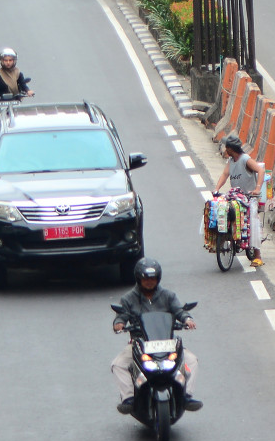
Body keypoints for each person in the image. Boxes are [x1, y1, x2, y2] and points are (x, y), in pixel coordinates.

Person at [110, 258, 201, 414]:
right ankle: (129, 398)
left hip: (167, 343)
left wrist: (187, 319)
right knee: (118, 364)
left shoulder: (168, 295)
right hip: (139, 344)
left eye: (152, 278)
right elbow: (121, 316)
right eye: (146, 278)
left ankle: (186, 395)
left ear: (158, 278)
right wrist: (119, 324)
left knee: (191, 360)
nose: (149, 282)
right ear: (139, 279)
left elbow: (179, 311)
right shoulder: (128, 298)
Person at [213, 133, 265, 266]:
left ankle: (257, 256)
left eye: (226, 148)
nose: (225, 150)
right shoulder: (231, 161)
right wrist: (217, 189)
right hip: (236, 196)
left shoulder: (245, 159)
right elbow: (225, 174)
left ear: (231, 149)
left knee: (252, 221)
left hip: (249, 197)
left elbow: (260, 170)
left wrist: (257, 188)